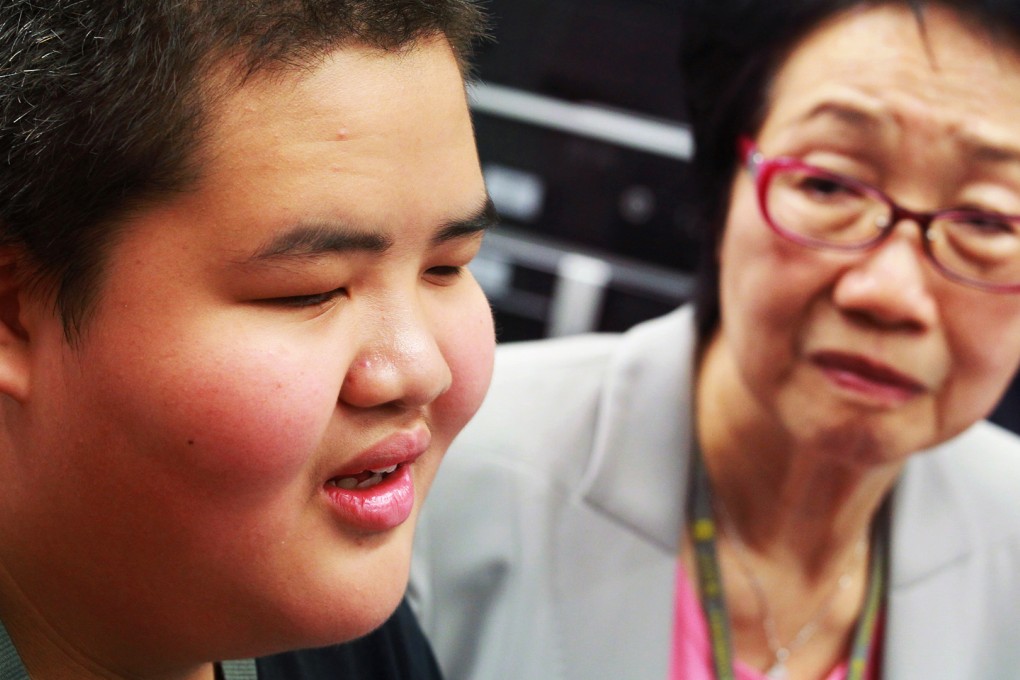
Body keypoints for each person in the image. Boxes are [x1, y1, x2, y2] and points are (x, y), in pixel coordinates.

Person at [409, 0, 1020, 678]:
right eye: (826, 183)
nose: (889, 293)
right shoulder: (436, 477)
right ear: (725, 192)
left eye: (989, 223)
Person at [0, 1, 496, 679]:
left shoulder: (331, 638)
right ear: (13, 313)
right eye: (310, 291)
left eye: (447, 268)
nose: (420, 368)